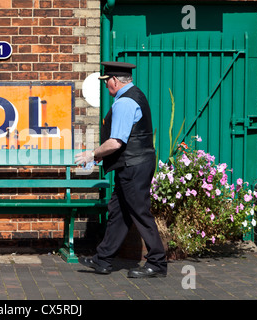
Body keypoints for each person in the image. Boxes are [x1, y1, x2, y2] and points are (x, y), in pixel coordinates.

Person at [75, 61, 167, 278]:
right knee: (118, 212)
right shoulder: (136, 95)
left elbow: (116, 142)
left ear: (114, 81)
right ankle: (103, 259)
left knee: (139, 213)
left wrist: (92, 155)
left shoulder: (124, 102)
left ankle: (157, 263)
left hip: (133, 166)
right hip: (133, 164)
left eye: (107, 82)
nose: (106, 86)